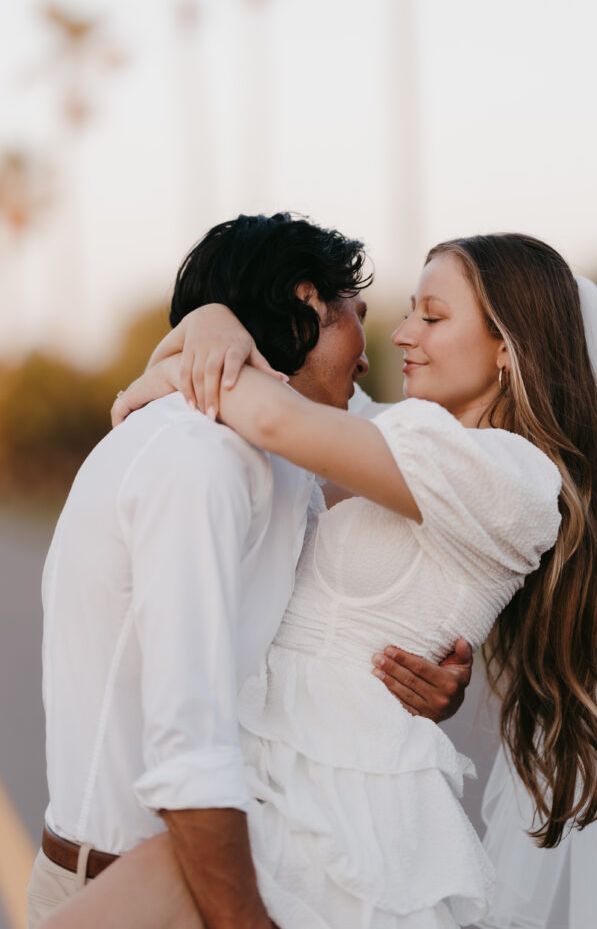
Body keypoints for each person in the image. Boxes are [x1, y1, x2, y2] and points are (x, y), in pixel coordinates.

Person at [44, 230, 597, 929]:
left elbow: (271, 410)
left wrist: (200, 337)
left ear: (507, 347)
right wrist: (206, 326)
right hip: (277, 788)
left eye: (432, 316)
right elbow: (297, 399)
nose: (399, 334)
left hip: (342, 808)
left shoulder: (509, 476)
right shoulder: (405, 439)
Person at [29, 214, 472, 929]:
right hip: (143, 891)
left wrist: (430, 677)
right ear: (304, 304)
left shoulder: (277, 438)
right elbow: (187, 748)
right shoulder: (196, 462)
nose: (366, 356)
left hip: (228, 866)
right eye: (355, 316)